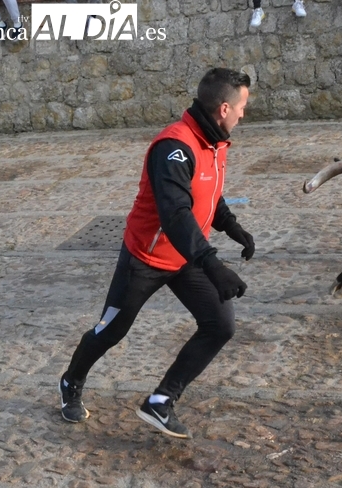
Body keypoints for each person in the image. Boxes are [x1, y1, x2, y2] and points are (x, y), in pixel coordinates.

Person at [58, 68, 256, 439]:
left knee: (220, 325)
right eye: (242, 107)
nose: (244, 114)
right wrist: (214, 265)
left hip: (185, 257)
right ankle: (71, 381)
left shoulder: (213, 142)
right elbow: (175, 213)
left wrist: (230, 225)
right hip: (144, 260)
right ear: (224, 108)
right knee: (111, 330)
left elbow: (207, 192)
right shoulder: (174, 148)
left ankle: (161, 401)